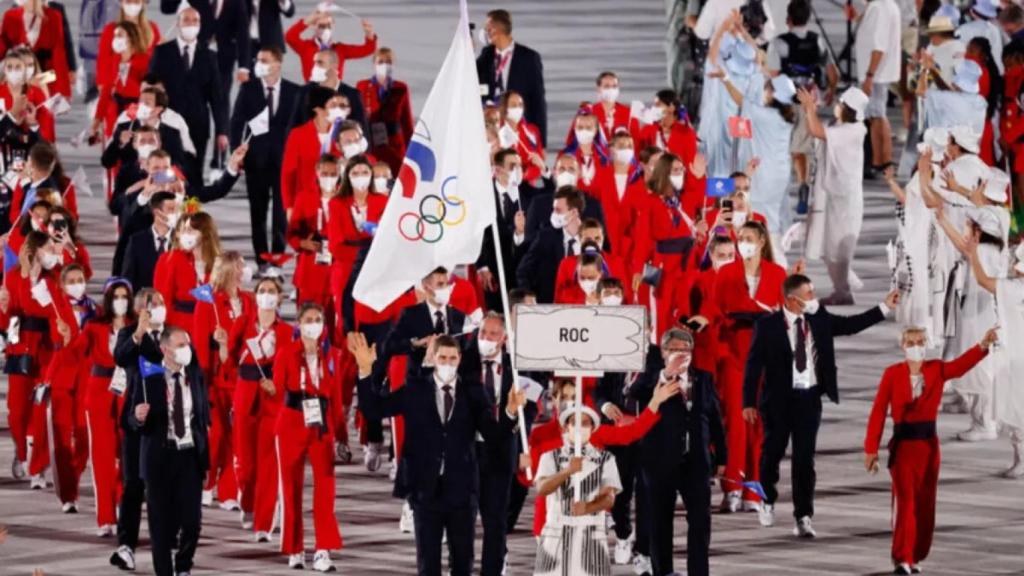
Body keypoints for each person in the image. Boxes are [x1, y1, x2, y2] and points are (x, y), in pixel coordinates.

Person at [351, 332, 525, 576]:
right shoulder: (415, 388)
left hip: (462, 491)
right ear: (432, 357)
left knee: (463, 563)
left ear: (460, 359)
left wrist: (509, 411)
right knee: (428, 563)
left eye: (452, 358)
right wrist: (365, 371)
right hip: (425, 490)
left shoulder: (473, 393)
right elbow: (375, 408)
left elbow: (494, 435)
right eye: (442, 357)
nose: (447, 363)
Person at [742, 274, 898, 536]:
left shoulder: (819, 319)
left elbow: (850, 325)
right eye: (809, 294)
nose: (814, 298)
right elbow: (753, 367)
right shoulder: (767, 326)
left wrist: (884, 307)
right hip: (778, 401)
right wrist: (748, 402)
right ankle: (766, 500)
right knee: (772, 454)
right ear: (792, 300)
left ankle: (803, 516)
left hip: (808, 399)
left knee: (805, 460)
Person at [864, 326, 997, 575]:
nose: (917, 346)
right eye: (911, 342)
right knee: (905, 503)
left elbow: (960, 366)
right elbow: (879, 411)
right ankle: (901, 557)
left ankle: (915, 555)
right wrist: (871, 450)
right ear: (903, 346)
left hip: (928, 448)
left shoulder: (936, 369)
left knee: (925, 504)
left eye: (921, 341)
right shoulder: (892, 374)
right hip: (903, 449)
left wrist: (983, 346)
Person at [635, 328, 725, 576]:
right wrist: (665, 376)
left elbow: (716, 419)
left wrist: (723, 456)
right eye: (675, 350)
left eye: (686, 350)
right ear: (663, 352)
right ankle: (663, 571)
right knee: (660, 522)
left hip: (696, 463)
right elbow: (634, 395)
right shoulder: (651, 378)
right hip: (659, 463)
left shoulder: (703, 379)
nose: (681, 355)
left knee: (699, 523)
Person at [714, 221, 788, 511]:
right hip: (734, 358)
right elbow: (715, 313)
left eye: (748, 238)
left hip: (766, 363)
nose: (743, 243)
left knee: (760, 425)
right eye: (739, 238)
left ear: (761, 242)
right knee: (734, 423)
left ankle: (754, 490)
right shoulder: (727, 273)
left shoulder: (777, 274)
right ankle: (732, 487)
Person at [127, 326, 210, 576]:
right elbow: (129, 418)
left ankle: (183, 565)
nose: (187, 349)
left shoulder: (195, 373)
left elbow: (201, 415)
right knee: (160, 527)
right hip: (159, 458)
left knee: (192, 523)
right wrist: (138, 417)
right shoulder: (148, 377)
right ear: (165, 349)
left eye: (188, 344)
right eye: (181, 345)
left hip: (188, 455)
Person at [273, 303, 343, 571]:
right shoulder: (286, 353)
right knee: (291, 489)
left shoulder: (332, 355)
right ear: (299, 324)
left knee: (326, 489)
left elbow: (335, 397)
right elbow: (278, 392)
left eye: (318, 320)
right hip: (292, 422)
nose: (313, 324)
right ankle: (295, 548)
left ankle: (323, 549)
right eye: (309, 320)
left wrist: (341, 436)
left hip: (321, 426)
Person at [227, 275, 292, 538]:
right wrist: (222, 345)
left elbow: (288, 367)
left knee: (268, 463)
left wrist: (277, 386)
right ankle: (248, 500)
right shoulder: (242, 324)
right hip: (245, 396)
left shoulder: (286, 331)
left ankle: (264, 522)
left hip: (272, 400)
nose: (266, 295)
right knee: (246, 463)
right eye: (262, 290)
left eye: (271, 291)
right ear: (254, 296)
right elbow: (229, 359)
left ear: (279, 298)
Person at [109, 288, 167, 571]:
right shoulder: (130, 334)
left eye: (159, 303)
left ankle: (168, 541)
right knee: (133, 486)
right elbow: (120, 357)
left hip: (168, 424)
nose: (155, 307)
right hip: (136, 422)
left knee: (165, 488)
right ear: (138, 310)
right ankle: (126, 546)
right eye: (150, 304)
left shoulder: (175, 335)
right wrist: (139, 334)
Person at [192, 251, 254, 509]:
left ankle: (229, 491)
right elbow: (199, 345)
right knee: (216, 435)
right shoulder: (209, 304)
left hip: (241, 377)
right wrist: (201, 385)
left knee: (236, 435)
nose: (245, 270)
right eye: (241, 265)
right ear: (230, 270)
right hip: (217, 379)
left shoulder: (249, 301)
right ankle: (207, 483)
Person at [766, 0, 839, 215]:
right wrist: (831, 91)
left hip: (785, 102)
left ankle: (783, 188)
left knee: (784, 147)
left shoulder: (779, 43)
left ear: (788, 19)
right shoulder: (817, 41)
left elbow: (773, 75)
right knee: (802, 148)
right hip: (809, 99)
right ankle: (803, 183)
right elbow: (831, 70)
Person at [799, 86, 869, 305]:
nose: (836, 106)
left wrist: (810, 109)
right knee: (830, 245)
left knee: (838, 247)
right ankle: (843, 286)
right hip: (836, 195)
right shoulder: (844, 126)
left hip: (845, 198)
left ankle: (844, 290)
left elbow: (817, 131)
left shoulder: (854, 131)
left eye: (841, 103)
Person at [533, 404, 621, 576]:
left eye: (585, 423)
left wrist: (587, 508)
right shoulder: (550, 457)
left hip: (591, 532)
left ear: (593, 428)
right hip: (556, 532)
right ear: (566, 426)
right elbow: (542, 489)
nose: (580, 427)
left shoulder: (606, 459)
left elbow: (609, 497)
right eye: (575, 422)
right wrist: (567, 471)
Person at [230, 44, 300, 260]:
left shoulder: (294, 91)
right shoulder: (248, 89)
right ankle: (261, 257)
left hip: (284, 163)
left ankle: (277, 257)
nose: (259, 64)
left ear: (277, 63)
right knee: (257, 212)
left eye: (265, 60)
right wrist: (236, 153)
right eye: (258, 60)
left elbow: (300, 127)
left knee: (281, 213)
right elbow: (236, 122)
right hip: (255, 162)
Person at [79, 277, 136, 536]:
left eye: (125, 297)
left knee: (128, 457)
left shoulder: (137, 327)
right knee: (102, 457)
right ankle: (105, 517)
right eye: (116, 297)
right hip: (100, 390)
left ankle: (125, 511)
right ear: (108, 299)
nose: (120, 302)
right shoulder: (94, 327)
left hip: (129, 393)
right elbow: (74, 353)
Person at [147, 7, 228, 186]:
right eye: (186, 20)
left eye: (195, 21)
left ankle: (192, 210)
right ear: (178, 24)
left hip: (198, 123)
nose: (191, 24)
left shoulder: (209, 56)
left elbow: (217, 96)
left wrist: (222, 130)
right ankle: (167, 204)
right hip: (168, 123)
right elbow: (150, 87)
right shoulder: (162, 51)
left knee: (194, 171)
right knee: (168, 169)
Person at [717, 73, 797, 251]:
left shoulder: (764, 115)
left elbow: (740, 101)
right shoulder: (785, 116)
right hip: (779, 173)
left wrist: (726, 79)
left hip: (763, 175)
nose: (763, 91)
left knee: (763, 221)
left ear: (772, 94)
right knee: (771, 217)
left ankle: (775, 259)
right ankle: (778, 241)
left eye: (767, 88)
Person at [632, 152, 708, 339]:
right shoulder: (650, 202)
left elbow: (701, 197)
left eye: (681, 170)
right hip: (661, 265)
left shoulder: (685, 199)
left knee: (684, 311)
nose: (680, 173)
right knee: (661, 312)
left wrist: (699, 177)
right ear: (664, 172)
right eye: (675, 170)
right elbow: (642, 239)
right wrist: (637, 269)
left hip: (687, 264)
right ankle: (658, 354)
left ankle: (683, 354)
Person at [967, 241, 1024, 477]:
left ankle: (1021, 460)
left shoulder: (1013, 289)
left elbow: (982, 280)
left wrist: (973, 256)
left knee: (1016, 410)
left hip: (1015, 359)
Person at [476, 9, 547, 145]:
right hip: (492, 132)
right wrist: (467, 51)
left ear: (495, 31)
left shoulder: (529, 58)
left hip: (519, 130)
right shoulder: (486, 56)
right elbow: (471, 79)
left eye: (487, 29)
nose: (484, 33)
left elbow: (538, 102)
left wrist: (541, 143)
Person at [477, 148, 529, 312]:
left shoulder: (526, 194)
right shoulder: (482, 195)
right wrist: (482, 266)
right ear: (498, 170)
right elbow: (477, 233)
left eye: (520, 166)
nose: (518, 170)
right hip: (493, 270)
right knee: (497, 314)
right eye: (513, 166)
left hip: (521, 269)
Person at [153, 211, 222, 330]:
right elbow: (163, 298)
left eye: (190, 230)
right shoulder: (170, 259)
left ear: (205, 233)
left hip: (212, 327)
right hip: (181, 326)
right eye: (183, 230)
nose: (185, 234)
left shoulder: (220, 262)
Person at [855, 0, 901, 176]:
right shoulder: (886, 5)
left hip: (876, 73)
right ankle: (880, 161)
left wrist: (869, 75)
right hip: (879, 72)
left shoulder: (880, 9)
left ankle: (882, 161)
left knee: (877, 116)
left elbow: (879, 46)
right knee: (876, 116)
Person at [517, 186, 585, 304]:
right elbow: (523, 271)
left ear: (574, 212)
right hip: (549, 307)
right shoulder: (545, 237)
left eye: (558, 210)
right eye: (553, 209)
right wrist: (529, 297)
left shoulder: (591, 236)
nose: (553, 214)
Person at [355, 46, 414, 175]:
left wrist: (413, 150)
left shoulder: (401, 88)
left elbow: (406, 121)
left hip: (394, 143)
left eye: (388, 62)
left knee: (396, 177)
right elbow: (357, 117)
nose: (385, 65)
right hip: (371, 142)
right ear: (374, 64)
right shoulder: (363, 86)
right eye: (381, 62)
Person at [0, 0, 72, 98]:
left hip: (46, 77)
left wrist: (64, 91)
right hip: (17, 78)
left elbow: (59, 56)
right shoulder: (10, 16)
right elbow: (2, 50)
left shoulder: (54, 16)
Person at [286, 6, 376, 81]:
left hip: (334, 95)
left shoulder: (340, 49)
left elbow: (368, 49)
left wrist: (369, 33)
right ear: (313, 26)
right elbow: (289, 37)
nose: (325, 29)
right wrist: (308, 20)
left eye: (328, 26)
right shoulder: (305, 47)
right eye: (322, 26)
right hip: (312, 94)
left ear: (333, 26)